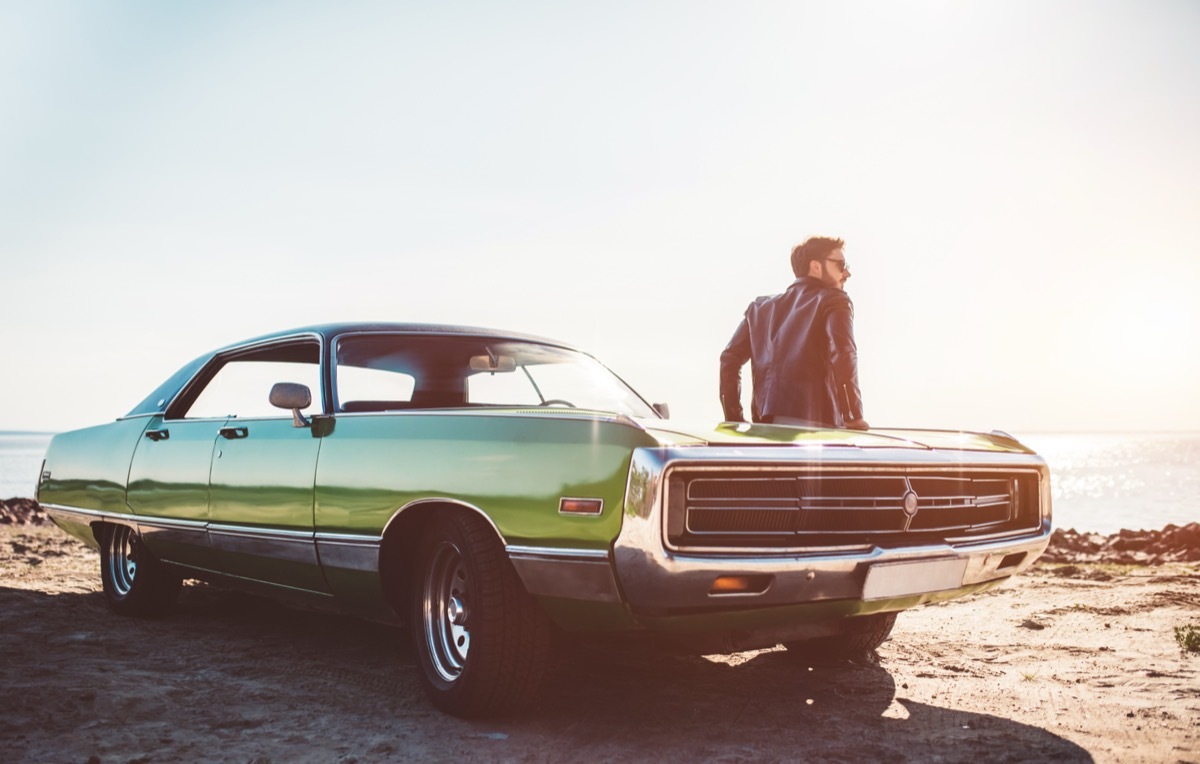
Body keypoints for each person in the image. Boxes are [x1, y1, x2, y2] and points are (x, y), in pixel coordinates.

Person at [719, 236, 869, 430]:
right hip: (818, 428)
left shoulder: (760, 309)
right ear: (815, 266)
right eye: (841, 265)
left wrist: (734, 419)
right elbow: (843, 354)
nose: (847, 272)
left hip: (766, 428)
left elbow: (728, 359)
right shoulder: (834, 301)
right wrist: (852, 415)